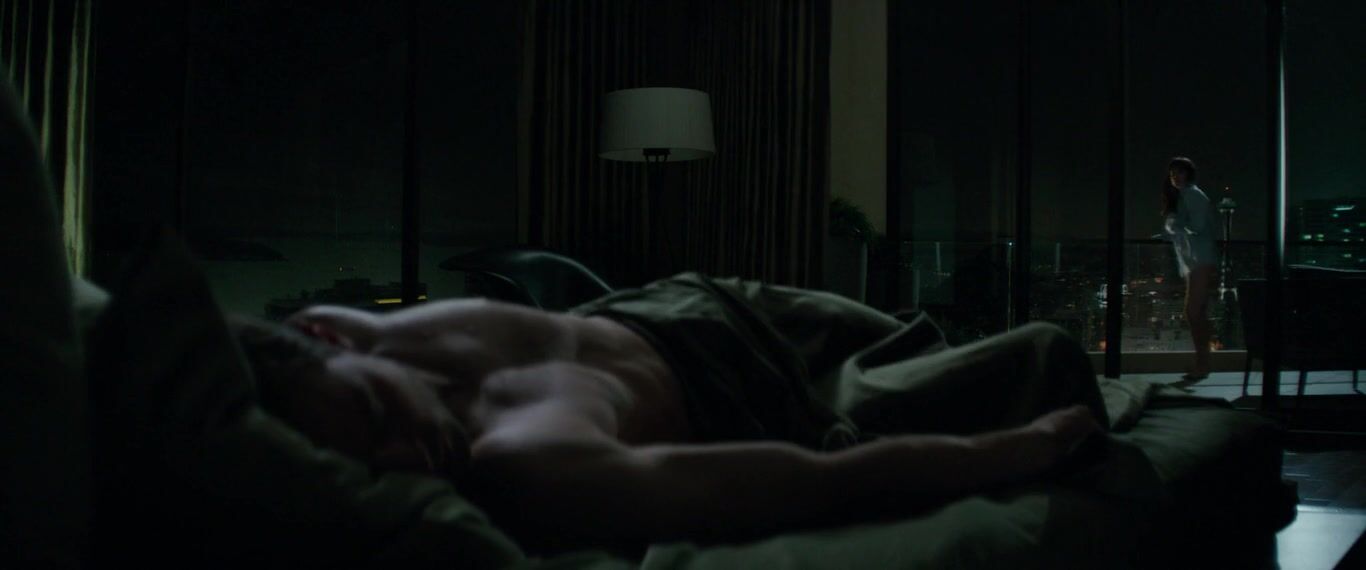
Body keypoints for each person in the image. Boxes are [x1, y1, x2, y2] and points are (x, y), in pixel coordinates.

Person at [233, 274, 1107, 547]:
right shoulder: (523, 461)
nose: (404, 456)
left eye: (374, 414)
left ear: (326, 340)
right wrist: (1014, 451)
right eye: (369, 465)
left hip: (699, 304)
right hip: (767, 398)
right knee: (1046, 358)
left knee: (927, 339)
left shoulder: (345, 328)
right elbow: (821, 480)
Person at [1161, 156, 1218, 380]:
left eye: (1180, 172)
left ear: (1189, 174)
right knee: (1196, 312)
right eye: (1172, 173)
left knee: (1194, 312)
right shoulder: (1186, 196)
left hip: (1200, 260)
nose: (1175, 177)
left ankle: (1203, 364)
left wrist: (1175, 226)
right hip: (1195, 260)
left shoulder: (1193, 195)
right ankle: (1202, 364)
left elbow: (1197, 226)